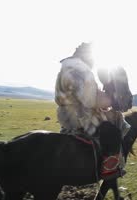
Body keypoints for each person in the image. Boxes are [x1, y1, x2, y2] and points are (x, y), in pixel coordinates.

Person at [55, 42, 130, 178]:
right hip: (80, 116)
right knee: (111, 131)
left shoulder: (67, 68)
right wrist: (111, 100)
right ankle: (109, 169)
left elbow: (83, 95)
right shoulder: (81, 71)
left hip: (66, 113)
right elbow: (89, 100)